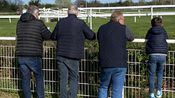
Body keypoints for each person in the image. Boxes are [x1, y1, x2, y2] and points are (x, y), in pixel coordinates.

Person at [51, 5, 96, 98]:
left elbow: (53, 36)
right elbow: (91, 35)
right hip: (74, 56)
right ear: (77, 12)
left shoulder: (60, 22)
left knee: (63, 79)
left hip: (61, 54)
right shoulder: (80, 23)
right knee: (74, 79)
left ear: (68, 12)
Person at [16, 5, 51, 98]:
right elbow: (48, 35)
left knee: (25, 79)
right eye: (38, 13)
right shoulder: (39, 23)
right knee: (38, 78)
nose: (39, 15)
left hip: (20, 54)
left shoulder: (19, 22)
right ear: (35, 13)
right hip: (33, 54)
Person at [97, 10, 134, 98]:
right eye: (123, 19)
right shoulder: (123, 28)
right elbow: (131, 37)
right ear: (119, 19)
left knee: (103, 87)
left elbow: (98, 38)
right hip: (120, 63)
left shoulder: (101, 28)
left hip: (105, 63)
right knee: (117, 90)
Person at [145, 17, 168, 98]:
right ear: (161, 23)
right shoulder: (163, 30)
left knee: (151, 75)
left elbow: (146, 41)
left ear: (152, 24)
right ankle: (158, 91)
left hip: (152, 54)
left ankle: (151, 93)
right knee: (160, 73)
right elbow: (166, 39)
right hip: (162, 55)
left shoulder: (150, 31)